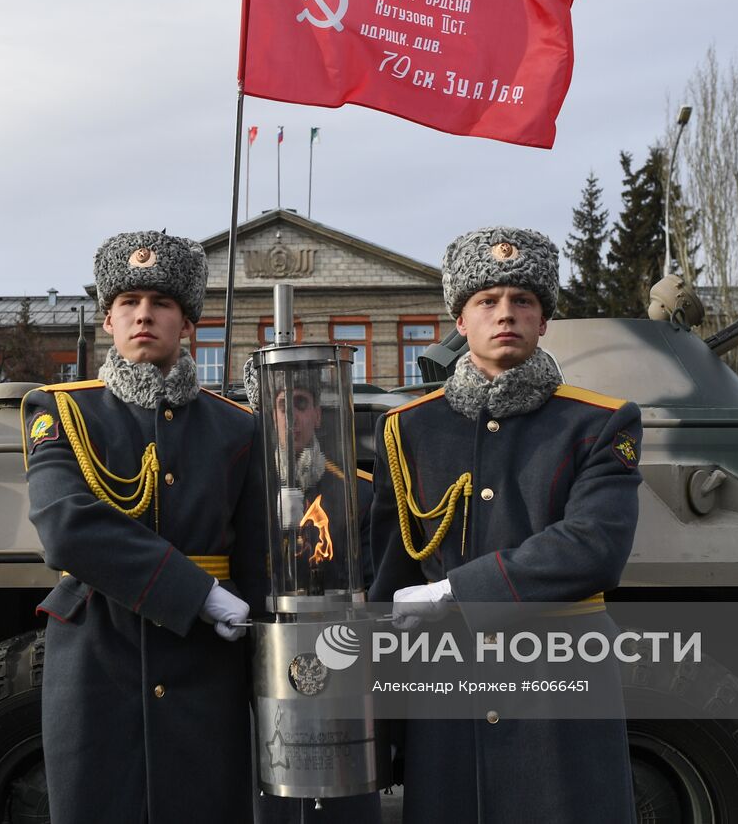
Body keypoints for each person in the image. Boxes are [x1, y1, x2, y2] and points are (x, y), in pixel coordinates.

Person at [369, 226, 643, 823]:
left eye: (524, 300)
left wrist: (452, 591)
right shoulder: (411, 429)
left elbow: (595, 547)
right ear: (459, 322)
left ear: (544, 321)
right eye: (486, 301)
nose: (506, 314)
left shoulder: (598, 423)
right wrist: (379, 722)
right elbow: (389, 581)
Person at [22, 230, 264, 824]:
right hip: (99, 655)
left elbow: (259, 557)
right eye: (128, 303)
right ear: (108, 319)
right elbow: (66, 527)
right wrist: (199, 593)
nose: (143, 316)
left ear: (188, 325)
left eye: (161, 304)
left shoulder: (236, 428)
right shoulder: (60, 409)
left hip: (206, 667)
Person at [245, 362, 380, 824]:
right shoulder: (246, 495)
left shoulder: (356, 493)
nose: (293, 418)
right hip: (265, 678)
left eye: (302, 405)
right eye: (282, 406)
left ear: (319, 415)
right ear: (268, 417)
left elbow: (373, 582)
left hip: (340, 675)